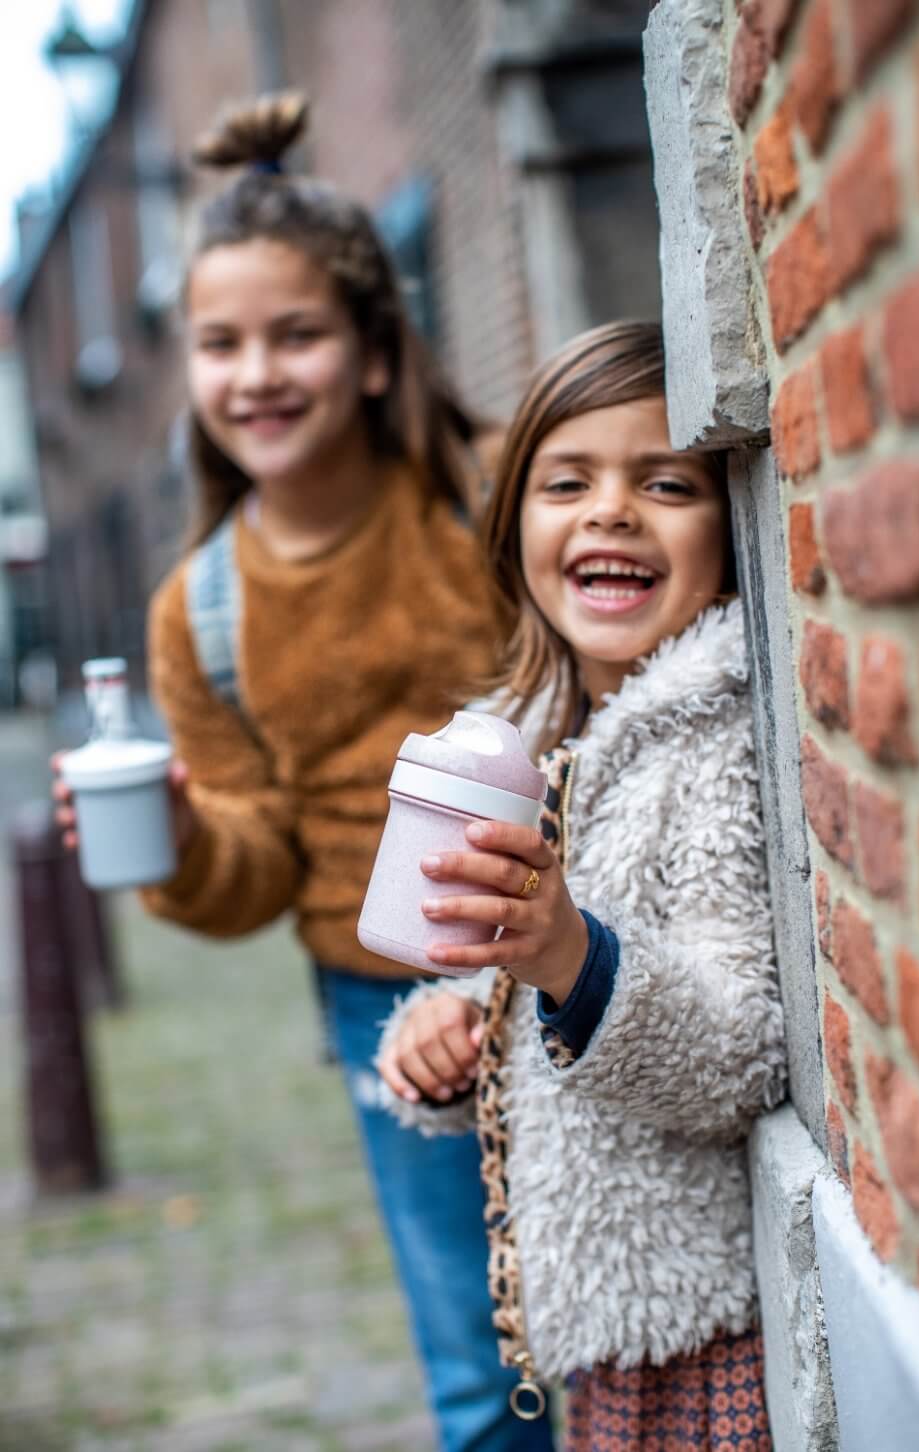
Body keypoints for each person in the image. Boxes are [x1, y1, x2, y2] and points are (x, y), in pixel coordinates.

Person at [53, 91, 554, 1452]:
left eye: (297, 335)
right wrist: (181, 833)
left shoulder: (494, 495)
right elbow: (253, 866)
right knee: (486, 1364)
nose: (256, 374)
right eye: (221, 344)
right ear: (189, 374)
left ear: (377, 353)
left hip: (572, 951)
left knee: (629, 1323)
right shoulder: (197, 609)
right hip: (382, 998)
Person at [378, 321, 787, 1450]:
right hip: (601, 1333)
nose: (610, 510)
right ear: (515, 531)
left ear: (729, 520)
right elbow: (511, 995)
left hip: (700, 1335)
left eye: (662, 482)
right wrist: (441, 1034)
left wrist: (565, 952)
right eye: (568, 483)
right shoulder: (535, 739)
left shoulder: (711, 742)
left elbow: (733, 1055)